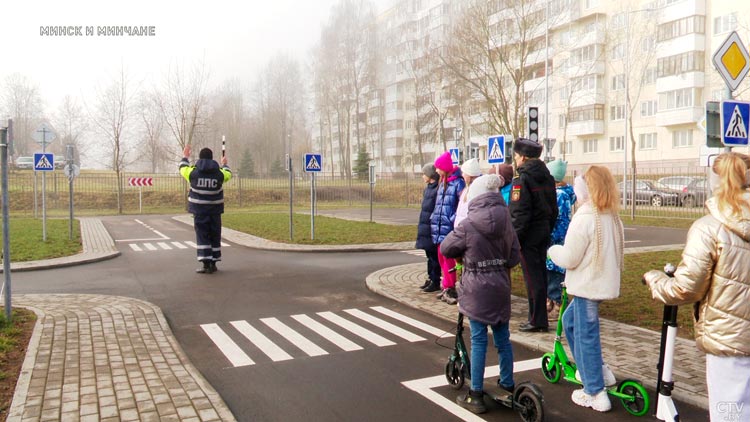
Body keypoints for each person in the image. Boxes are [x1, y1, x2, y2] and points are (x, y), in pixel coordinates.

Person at [644, 152, 750, 422]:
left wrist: (656, 279)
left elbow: (686, 288)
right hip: (735, 336)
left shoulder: (708, 229)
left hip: (730, 340)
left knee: (730, 413)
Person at [441, 174, 521, 414]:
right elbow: (515, 256)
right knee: (503, 339)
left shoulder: (468, 224)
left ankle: (475, 393)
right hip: (500, 285)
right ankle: (507, 384)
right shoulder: (507, 222)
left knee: (478, 340)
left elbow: (446, 247)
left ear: (475, 197)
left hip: (476, 287)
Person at [548, 166, 623, 412]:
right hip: (600, 284)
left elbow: (569, 257)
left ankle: (594, 392)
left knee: (585, 335)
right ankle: (598, 371)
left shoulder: (585, 215)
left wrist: (551, 250)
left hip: (587, 286)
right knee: (571, 323)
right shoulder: (610, 214)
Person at [509, 138, 557, 332]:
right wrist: (547, 228)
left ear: (523, 157)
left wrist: (515, 239)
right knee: (540, 276)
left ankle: (537, 320)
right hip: (543, 231)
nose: (515, 159)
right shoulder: (547, 177)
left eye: (516, 156)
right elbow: (553, 209)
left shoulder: (522, 179)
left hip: (527, 236)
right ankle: (538, 317)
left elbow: (519, 213)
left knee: (532, 278)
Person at [179, 145, 232, 274]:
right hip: (215, 211)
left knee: (202, 236)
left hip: (200, 211)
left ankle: (205, 264)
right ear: (212, 158)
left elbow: (182, 168)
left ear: (200, 158)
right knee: (214, 235)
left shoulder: (193, 173)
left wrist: (185, 156)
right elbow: (228, 174)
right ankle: (213, 263)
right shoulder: (219, 174)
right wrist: (224, 164)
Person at [430, 151, 465, 305]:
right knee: (441, 258)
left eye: (438, 168)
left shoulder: (458, 183)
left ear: (444, 167)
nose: (436, 171)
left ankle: (451, 287)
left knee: (449, 259)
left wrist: (452, 220)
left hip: (448, 228)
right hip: (439, 227)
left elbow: (461, 206)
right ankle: (446, 286)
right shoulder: (442, 183)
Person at [545, 159, 576, 320]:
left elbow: (561, 220)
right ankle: (550, 301)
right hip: (553, 241)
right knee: (550, 272)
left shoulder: (560, 195)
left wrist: (551, 236)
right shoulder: (560, 193)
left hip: (556, 241)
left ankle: (558, 304)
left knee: (555, 273)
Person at [416, 164, 442, 293]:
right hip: (425, 226)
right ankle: (430, 277)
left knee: (434, 256)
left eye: (424, 174)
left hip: (431, 227)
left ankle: (436, 280)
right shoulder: (428, 189)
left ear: (430, 176)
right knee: (428, 255)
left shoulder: (437, 189)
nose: (422, 176)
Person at [454, 158, 482, 227]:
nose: (462, 175)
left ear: (470, 174)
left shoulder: (477, 190)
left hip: (467, 230)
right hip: (461, 229)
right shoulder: (467, 188)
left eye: (464, 173)